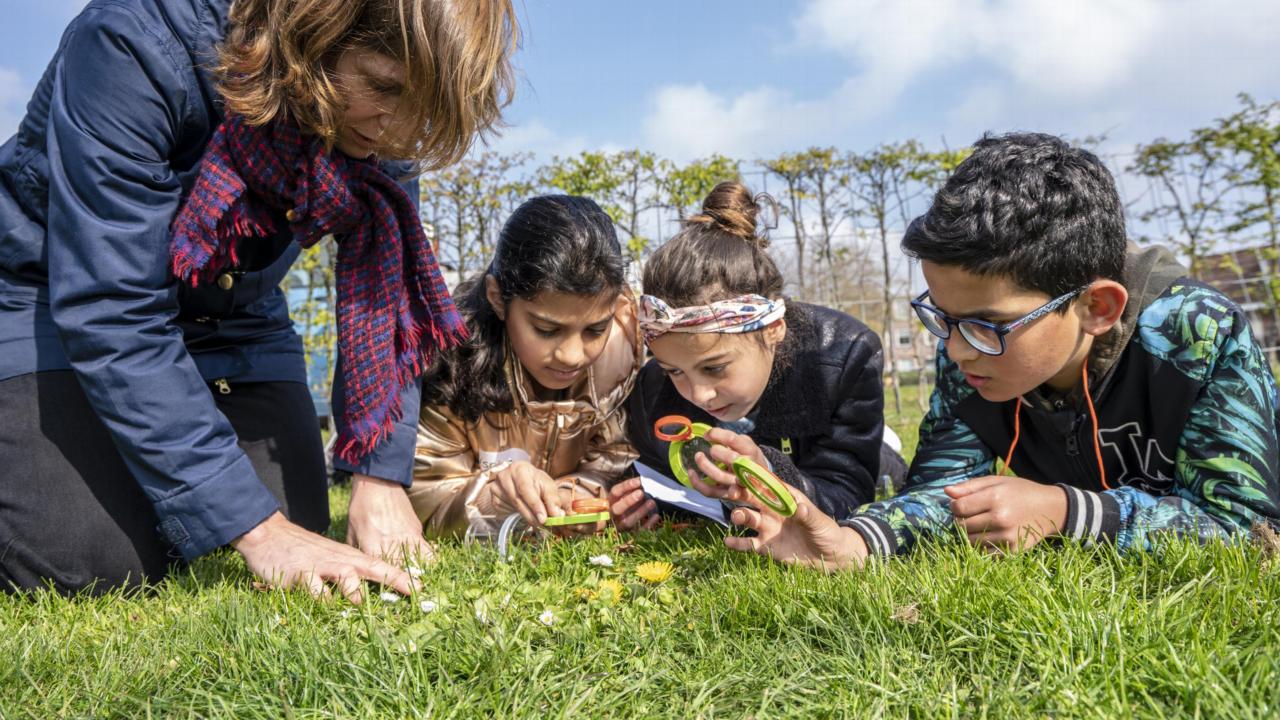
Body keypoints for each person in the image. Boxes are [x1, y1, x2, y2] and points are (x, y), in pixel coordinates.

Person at [0, 0, 518, 599]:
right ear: (318, 31)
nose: (396, 132)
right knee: (87, 560)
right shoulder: (134, 42)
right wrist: (256, 531)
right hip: (46, 295)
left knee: (298, 518)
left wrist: (379, 479)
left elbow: (389, 288)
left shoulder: (389, 113)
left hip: (231, 315)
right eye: (381, 87)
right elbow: (113, 306)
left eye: (421, 110)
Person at [704, 133, 1280, 570]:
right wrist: (853, 541)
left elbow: (1247, 528)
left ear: (1097, 308)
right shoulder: (972, 350)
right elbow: (940, 488)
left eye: (986, 325)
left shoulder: (1198, 337)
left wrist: (1065, 511)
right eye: (943, 319)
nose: (955, 351)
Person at [610, 181, 899, 530]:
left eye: (714, 367)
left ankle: (884, 446)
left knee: (885, 470)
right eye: (674, 371)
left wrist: (771, 471)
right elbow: (656, 475)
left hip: (847, 455)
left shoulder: (843, 356)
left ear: (773, 329)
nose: (699, 394)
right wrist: (642, 505)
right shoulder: (653, 389)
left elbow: (845, 491)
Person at [411, 195, 641, 539]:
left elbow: (616, 461)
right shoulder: (449, 361)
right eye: (547, 330)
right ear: (496, 297)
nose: (572, 356)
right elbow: (423, 498)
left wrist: (579, 494)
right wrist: (494, 496)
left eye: (595, 329)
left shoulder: (622, 355)